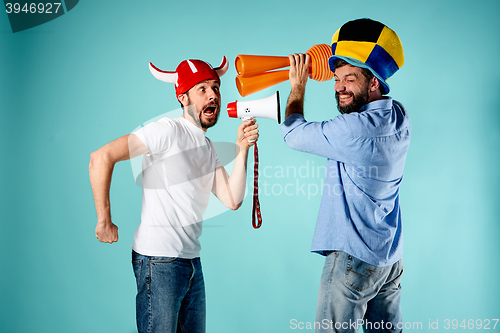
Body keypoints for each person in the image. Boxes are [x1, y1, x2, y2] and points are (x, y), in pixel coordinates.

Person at [89, 56, 259, 333]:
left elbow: (232, 199)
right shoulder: (166, 130)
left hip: (192, 263)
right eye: (202, 89)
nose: (212, 94)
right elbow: (101, 157)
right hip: (159, 261)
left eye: (215, 87)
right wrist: (103, 220)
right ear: (183, 98)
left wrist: (242, 149)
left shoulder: (206, 146)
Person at [281, 19, 411, 332]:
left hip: (353, 258)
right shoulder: (398, 116)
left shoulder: (353, 129)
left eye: (349, 78)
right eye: (337, 78)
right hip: (389, 259)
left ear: (374, 83)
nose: (339, 87)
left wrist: (298, 85)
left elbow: (293, 134)